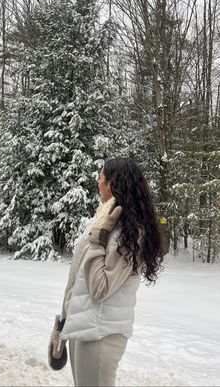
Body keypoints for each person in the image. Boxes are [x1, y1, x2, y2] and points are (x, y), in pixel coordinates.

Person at [59, 157, 164, 386]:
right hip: (83, 326)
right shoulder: (103, 220)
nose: (97, 182)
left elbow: (100, 288)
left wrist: (98, 241)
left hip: (101, 334)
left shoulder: (131, 232)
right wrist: (62, 321)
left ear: (112, 183)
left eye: (100, 177)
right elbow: (78, 278)